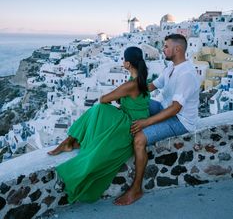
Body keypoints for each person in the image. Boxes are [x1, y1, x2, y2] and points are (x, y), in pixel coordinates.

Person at [48, 46, 150, 203]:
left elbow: (103, 99)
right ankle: (69, 141)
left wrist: (118, 98)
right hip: (132, 120)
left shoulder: (131, 84)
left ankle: (69, 141)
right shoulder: (141, 80)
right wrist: (121, 98)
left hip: (130, 124)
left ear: (128, 64)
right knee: (98, 110)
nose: (123, 62)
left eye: (124, 60)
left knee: (99, 108)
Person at [114, 34, 200, 206]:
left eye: (166, 46)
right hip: (164, 108)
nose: (163, 49)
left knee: (139, 139)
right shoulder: (171, 68)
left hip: (180, 120)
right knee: (130, 106)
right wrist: (127, 94)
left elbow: (176, 108)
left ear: (177, 49)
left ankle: (136, 189)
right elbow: (151, 86)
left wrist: (146, 123)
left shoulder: (187, 74)